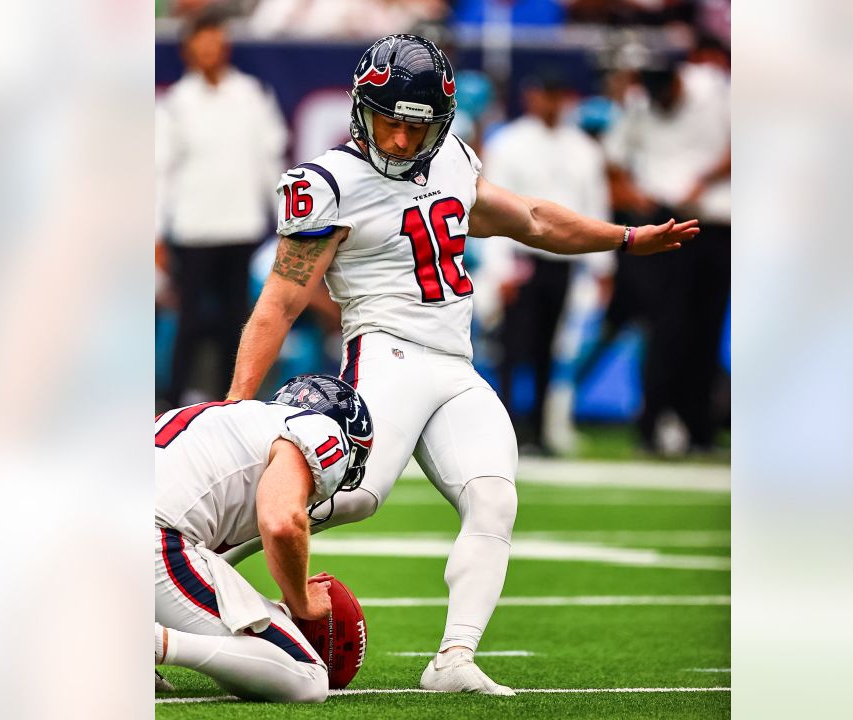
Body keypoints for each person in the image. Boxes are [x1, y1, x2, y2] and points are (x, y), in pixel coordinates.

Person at [224, 34, 698, 695]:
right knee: (349, 496)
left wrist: (622, 237)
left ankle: (453, 658)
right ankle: (178, 559)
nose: (398, 140)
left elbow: (530, 218)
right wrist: (238, 402)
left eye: (415, 127)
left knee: (494, 499)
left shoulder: (449, 158)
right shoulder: (328, 183)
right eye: (388, 121)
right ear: (362, 110)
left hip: (456, 364)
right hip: (385, 351)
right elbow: (280, 302)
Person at [154, 374, 374, 703]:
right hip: (151, 540)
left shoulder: (230, 417)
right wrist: (298, 600)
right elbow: (282, 521)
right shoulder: (320, 433)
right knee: (308, 678)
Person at [155, 11, 287, 408]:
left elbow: (270, 162)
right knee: (190, 323)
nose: (210, 53)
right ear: (189, 51)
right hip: (194, 229)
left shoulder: (251, 95)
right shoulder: (176, 104)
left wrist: (287, 224)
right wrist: (157, 233)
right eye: (202, 46)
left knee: (238, 323)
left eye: (216, 44)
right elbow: (161, 173)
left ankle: (234, 406)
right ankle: (172, 407)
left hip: (241, 226)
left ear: (225, 47)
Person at [482, 70, 614, 454]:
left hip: (564, 260)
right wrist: (499, 270)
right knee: (512, 347)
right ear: (531, 96)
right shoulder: (507, 143)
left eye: (558, 94)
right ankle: (505, 430)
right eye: (545, 93)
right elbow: (491, 208)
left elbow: (595, 209)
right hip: (522, 258)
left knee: (551, 347)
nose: (552, 102)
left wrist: (603, 267)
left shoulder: (583, 149)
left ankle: (540, 431)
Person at [603, 57, 731, 454]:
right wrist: (635, 196)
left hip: (712, 224)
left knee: (705, 330)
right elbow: (613, 160)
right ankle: (654, 421)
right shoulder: (640, 105)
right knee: (665, 327)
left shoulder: (715, 93)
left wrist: (704, 180)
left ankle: (698, 426)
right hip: (664, 223)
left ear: (679, 80)